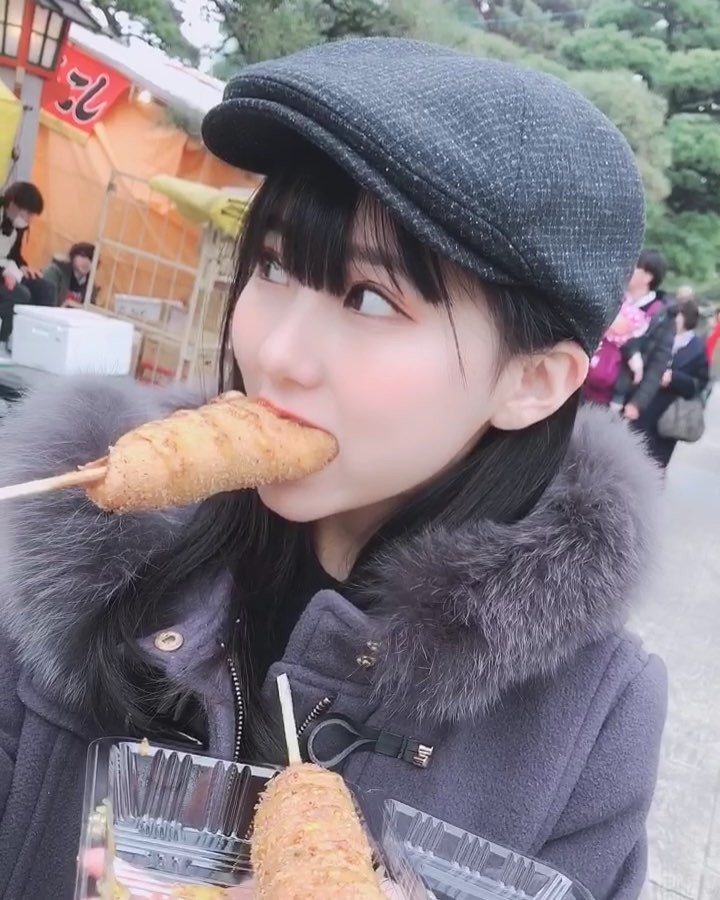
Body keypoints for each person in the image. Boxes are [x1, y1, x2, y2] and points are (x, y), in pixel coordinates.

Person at [0, 39, 666, 900]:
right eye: (273, 265)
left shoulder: (590, 719)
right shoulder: (67, 563)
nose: (276, 352)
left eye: (369, 299)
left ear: (532, 382)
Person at [641, 299, 710, 469]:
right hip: (643, 401)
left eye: (676, 315)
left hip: (669, 412)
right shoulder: (659, 334)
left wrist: (674, 378)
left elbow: (699, 384)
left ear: (686, 318)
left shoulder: (697, 349)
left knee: (655, 462)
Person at [0, 181, 57, 352]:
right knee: (20, 293)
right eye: (28, 214)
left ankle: (38, 342)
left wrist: (24, 267)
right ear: (12, 204)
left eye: (33, 216)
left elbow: (13, 254)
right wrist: (4, 273)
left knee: (46, 288)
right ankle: (4, 341)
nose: (29, 220)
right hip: (4, 272)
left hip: (8, 268)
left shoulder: (18, 226)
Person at [620, 249, 675, 426]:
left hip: (621, 393)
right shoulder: (615, 298)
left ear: (648, 277)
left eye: (635, 266)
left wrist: (637, 403)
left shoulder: (662, 315)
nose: (627, 269)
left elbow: (658, 363)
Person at [42, 241, 97, 306]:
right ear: (73, 257)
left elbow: (89, 308)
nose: (86, 262)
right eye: (82, 256)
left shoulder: (90, 285)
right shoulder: (54, 271)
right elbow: (45, 302)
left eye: (91, 259)